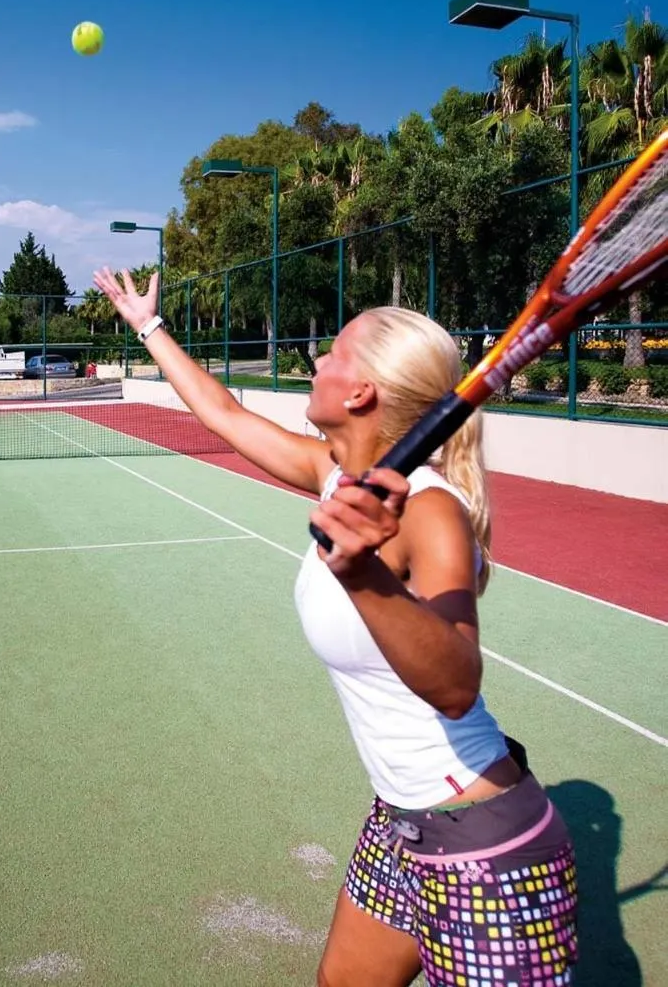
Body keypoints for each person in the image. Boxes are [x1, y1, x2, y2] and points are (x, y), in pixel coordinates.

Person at [93, 266, 579, 987]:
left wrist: (361, 572)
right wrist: (147, 325)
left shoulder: (429, 509)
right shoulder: (334, 471)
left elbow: (455, 683)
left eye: (335, 352)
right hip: (400, 821)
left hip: (484, 849)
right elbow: (224, 414)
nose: (317, 358)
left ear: (360, 392)